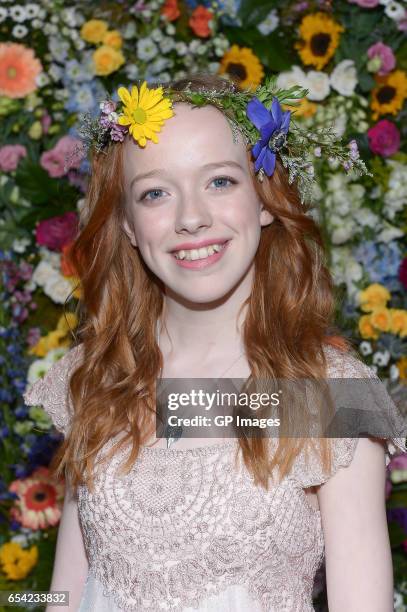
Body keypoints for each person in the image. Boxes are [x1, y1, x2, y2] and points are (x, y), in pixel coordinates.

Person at [24, 73, 406, 612]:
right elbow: (65, 594)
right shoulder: (98, 374)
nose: (192, 218)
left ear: (266, 199)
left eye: (220, 181)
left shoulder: (331, 398)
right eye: (156, 193)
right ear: (129, 225)